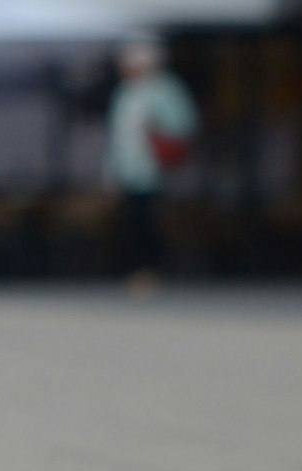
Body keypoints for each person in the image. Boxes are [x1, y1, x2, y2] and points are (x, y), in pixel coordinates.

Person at [106, 38, 198, 292]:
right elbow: (118, 136)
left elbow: (183, 124)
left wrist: (158, 127)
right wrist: (111, 172)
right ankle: (138, 269)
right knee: (133, 221)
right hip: (129, 169)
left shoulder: (166, 90)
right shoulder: (125, 92)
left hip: (154, 169)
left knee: (151, 221)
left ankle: (152, 269)